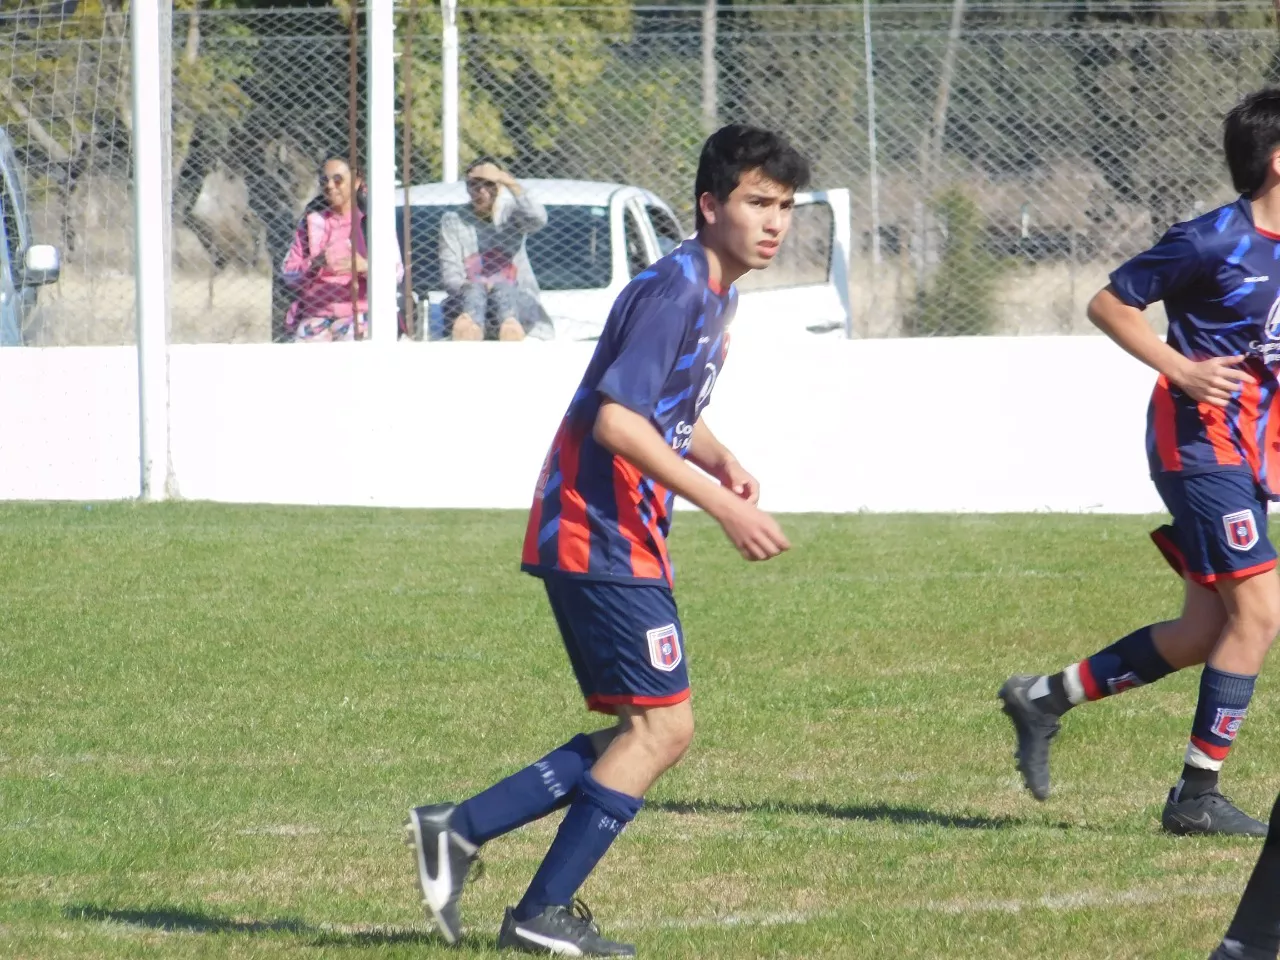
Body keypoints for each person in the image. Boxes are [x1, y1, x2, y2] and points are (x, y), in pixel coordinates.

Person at [404, 125, 810, 956]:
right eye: (757, 203)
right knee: (664, 730)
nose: (775, 223)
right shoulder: (678, 289)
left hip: (618, 531)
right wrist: (721, 506)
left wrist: (718, 452)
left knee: (646, 727)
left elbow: (659, 407)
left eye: (786, 207)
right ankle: (537, 915)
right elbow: (617, 420)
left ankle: (460, 830)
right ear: (709, 205)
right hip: (600, 531)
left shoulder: (715, 290)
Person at [999, 88, 1280, 837]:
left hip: (1243, 453)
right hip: (1197, 445)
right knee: (1261, 611)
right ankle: (1196, 795)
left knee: (1200, 632)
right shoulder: (1211, 239)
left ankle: (1043, 697)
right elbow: (1109, 303)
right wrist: (1181, 368)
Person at [280, 155, 402, 342]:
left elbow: (396, 273)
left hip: (360, 313)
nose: (330, 186)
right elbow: (288, 274)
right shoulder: (312, 221)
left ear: (356, 182)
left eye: (338, 180)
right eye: (325, 181)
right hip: (317, 314)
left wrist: (364, 266)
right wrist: (315, 263)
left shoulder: (372, 221)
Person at [438, 158, 548, 341]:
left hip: (517, 300)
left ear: (499, 186)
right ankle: (470, 330)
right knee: (474, 292)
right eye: (474, 184)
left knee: (503, 290)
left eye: (489, 184)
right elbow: (450, 277)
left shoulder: (511, 215)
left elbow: (538, 219)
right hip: (467, 300)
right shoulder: (453, 220)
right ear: (467, 187)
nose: (481, 191)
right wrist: (479, 286)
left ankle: (510, 328)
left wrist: (510, 182)